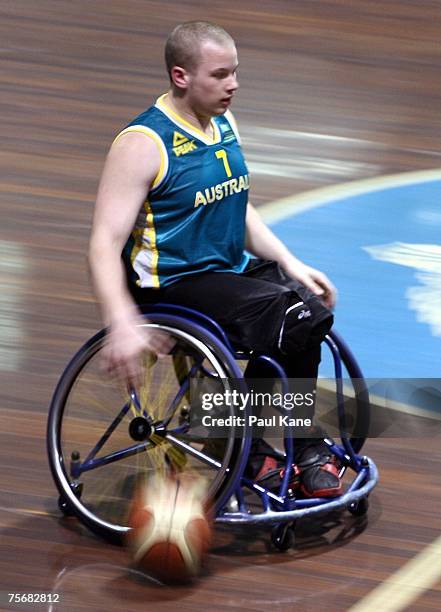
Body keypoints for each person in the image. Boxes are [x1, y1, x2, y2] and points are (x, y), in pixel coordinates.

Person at [88, 21, 341, 498]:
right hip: (172, 284)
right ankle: (240, 438)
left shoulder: (222, 122)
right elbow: (103, 241)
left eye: (235, 72)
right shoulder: (143, 144)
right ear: (181, 76)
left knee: (311, 306)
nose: (234, 85)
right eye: (221, 75)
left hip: (224, 270)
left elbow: (237, 206)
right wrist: (120, 321)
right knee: (292, 315)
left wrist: (292, 262)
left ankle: (271, 436)